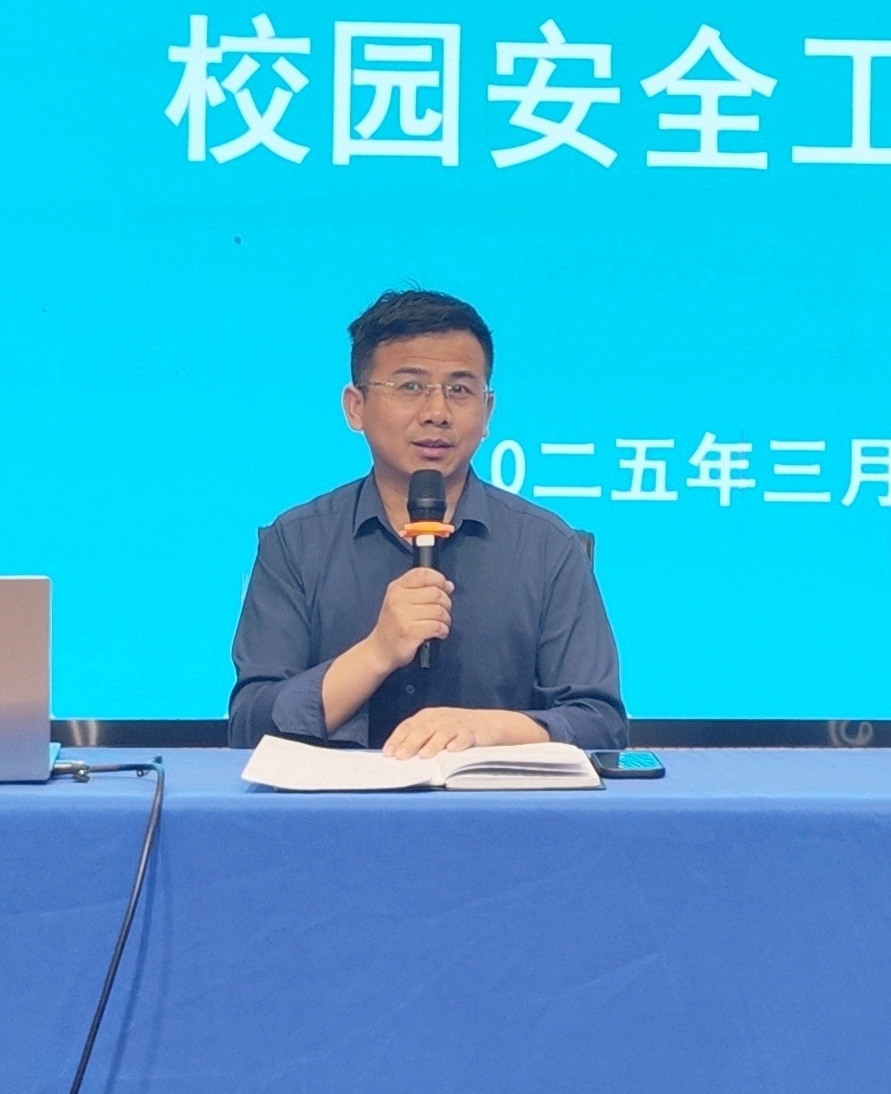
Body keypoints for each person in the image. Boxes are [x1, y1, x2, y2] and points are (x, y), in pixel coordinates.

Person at [226, 289, 628, 757]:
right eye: (410, 387)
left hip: (501, 803)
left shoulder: (546, 547)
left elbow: (601, 725)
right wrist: (376, 653)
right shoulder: (296, 542)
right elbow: (249, 728)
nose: (437, 413)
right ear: (355, 407)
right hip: (337, 804)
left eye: (459, 390)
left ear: (487, 412)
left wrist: (488, 729)